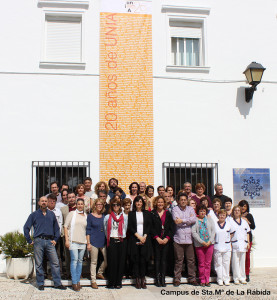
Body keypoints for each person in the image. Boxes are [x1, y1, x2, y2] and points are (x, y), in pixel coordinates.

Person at [23, 196, 66, 291]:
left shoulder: (51, 214)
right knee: (39, 263)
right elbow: (26, 228)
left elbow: (57, 228)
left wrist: (55, 239)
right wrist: (29, 240)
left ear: (47, 203)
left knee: (55, 263)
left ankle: (57, 283)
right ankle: (40, 283)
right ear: (39, 203)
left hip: (50, 242)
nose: (44, 202)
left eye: (45, 201)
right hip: (39, 241)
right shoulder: (33, 215)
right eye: (42, 201)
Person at [172, 193, 198, 286]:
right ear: (178, 201)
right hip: (178, 239)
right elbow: (176, 221)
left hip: (189, 239)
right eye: (181, 200)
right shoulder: (175, 209)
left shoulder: (190, 209)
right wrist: (188, 220)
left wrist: (182, 220)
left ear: (187, 200)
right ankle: (177, 278)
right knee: (179, 260)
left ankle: (192, 278)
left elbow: (194, 219)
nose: (183, 201)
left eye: (184, 199)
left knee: (191, 260)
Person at [128, 195, 152, 289]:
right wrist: (139, 237)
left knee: (143, 260)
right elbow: (130, 227)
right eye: (137, 201)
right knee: (136, 260)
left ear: (143, 203)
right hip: (135, 239)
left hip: (145, 239)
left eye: (140, 201)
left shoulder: (147, 213)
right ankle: (137, 279)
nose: (139, 203)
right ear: (135, 203)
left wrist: (144, 237)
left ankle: (143, 278)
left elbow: (149, 226)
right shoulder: (131, 214)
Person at [104, 197, 128, 289]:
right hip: (112, 241)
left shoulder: (124, 217)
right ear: (111, 206)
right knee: (112, 262)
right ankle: (111, 282)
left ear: (120, 206)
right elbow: (106, 230)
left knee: (121, 262)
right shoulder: (107, 217)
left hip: (122, 241)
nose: (116, 206)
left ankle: (118, 282)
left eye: (117, 204)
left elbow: (125, 228)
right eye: (114, 205)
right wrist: (110, 238)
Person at [64, 198, 87, 291]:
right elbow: (65, 226)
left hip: (83, 242)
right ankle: (74, 282)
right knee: (74, 261)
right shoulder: (72, 214)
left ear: (84, 205)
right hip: (73, 241)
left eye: (82, 204)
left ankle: (78, 281)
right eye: (79, 204)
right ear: (76, 205)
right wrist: (66, 240)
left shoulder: (86, 215)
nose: (80, 205)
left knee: (80, 261)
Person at [151, 196, 174, 287]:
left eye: (162, 202)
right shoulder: (152, 213)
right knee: (157, 260)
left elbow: (171, 228)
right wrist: (156, 237)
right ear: (156, 203)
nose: (160, 204)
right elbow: (151, 228)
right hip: (156, 240)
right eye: (158, 202)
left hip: (165, 240)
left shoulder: (168, 213)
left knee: (164, 260)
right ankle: (157, 279)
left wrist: (167, 238)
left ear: (164, 203)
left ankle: (163, 278)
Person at [192, 205, 215, 287]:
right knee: (201, 263)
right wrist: (202, 242)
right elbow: (194, 233)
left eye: (204, 211)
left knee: (208, 263)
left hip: (209, 244)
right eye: (201, 211)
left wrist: (210, 241)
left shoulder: (209, 219)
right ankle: (202, 280)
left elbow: (213, 231)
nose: (202, 212)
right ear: (198, 212)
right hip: (199, 245)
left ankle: (207, 280)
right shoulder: (195, 220)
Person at [86, 198, 107, 289]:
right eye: (98, 204)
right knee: (93, 262)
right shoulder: (90, 216)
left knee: (107, 259)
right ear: (95, 205)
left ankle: (100, 272)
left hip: (103, 241)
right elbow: (88, 230)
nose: (99, 206)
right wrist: (88, 243)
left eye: (101, 204)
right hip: (93, 241)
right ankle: (93, 280)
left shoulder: (104, 216)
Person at [230, 205, 250, 285]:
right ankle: (236, 278)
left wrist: (248, 242)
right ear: (233, 212)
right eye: (235, 210)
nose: (237, 211)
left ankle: (243, 278)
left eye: (238, 210)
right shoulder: (230, 221)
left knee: (242, 262)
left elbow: (248, 232)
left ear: (240, 212)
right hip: (234, 243)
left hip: (243, 244)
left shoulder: (244, 222)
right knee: (235, 262)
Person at [60, 191, 77, 279]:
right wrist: (63, 234)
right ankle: (68, 273)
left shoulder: (81, 208)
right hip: (67, 235)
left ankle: (77, 273)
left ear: (75, 198)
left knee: (78, 255)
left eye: (73, 197)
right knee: (68, 255)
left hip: (78, 235)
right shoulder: (63, 209)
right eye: (69, 197)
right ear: (67, 199)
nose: (71, 199)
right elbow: (62, 223)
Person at [213, 209, 232, 286]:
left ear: (225, 216)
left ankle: (226, 279)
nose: (222, 216)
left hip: (227, 246)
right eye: (220, 215)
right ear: (218, 216)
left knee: (226, 263)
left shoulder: (228, 224)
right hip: (217, 246)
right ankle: (220, 279)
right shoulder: (214, 224)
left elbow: (231, 234)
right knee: (218, 264)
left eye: (223, 215)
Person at [238, 200, 255, 282]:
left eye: (244, 206)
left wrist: (248, 221)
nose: (243, 208)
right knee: (238, 257)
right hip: (238, 239)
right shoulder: (236, 215)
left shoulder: (249, 215)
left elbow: (253, 226)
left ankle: (247, 274)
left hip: (247, 239)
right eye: (241, 206)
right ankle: (239, 273)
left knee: (247, 257)